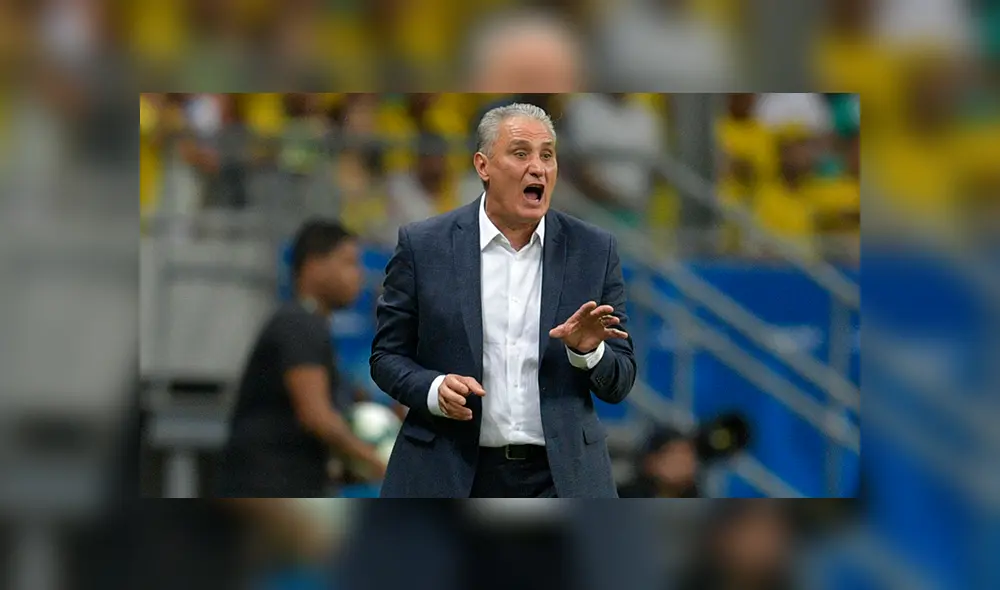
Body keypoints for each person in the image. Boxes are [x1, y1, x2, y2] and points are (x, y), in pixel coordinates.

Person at [370, 103, 636, 498]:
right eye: (521, 153)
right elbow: (386, 357)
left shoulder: (593, 250)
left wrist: (589, 352)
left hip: (560, 479)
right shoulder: (423, 246)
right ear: (483, 166)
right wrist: (434, 388)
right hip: (449, 471)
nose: (538, 168)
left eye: (547, 155)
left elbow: (621, 380)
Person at [215, 219, 386, 497]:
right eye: (349, 263)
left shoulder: (309, 325)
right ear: (314, 266)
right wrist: (378, 463)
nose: (359, 274)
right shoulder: (299, 324)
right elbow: (316, 416)